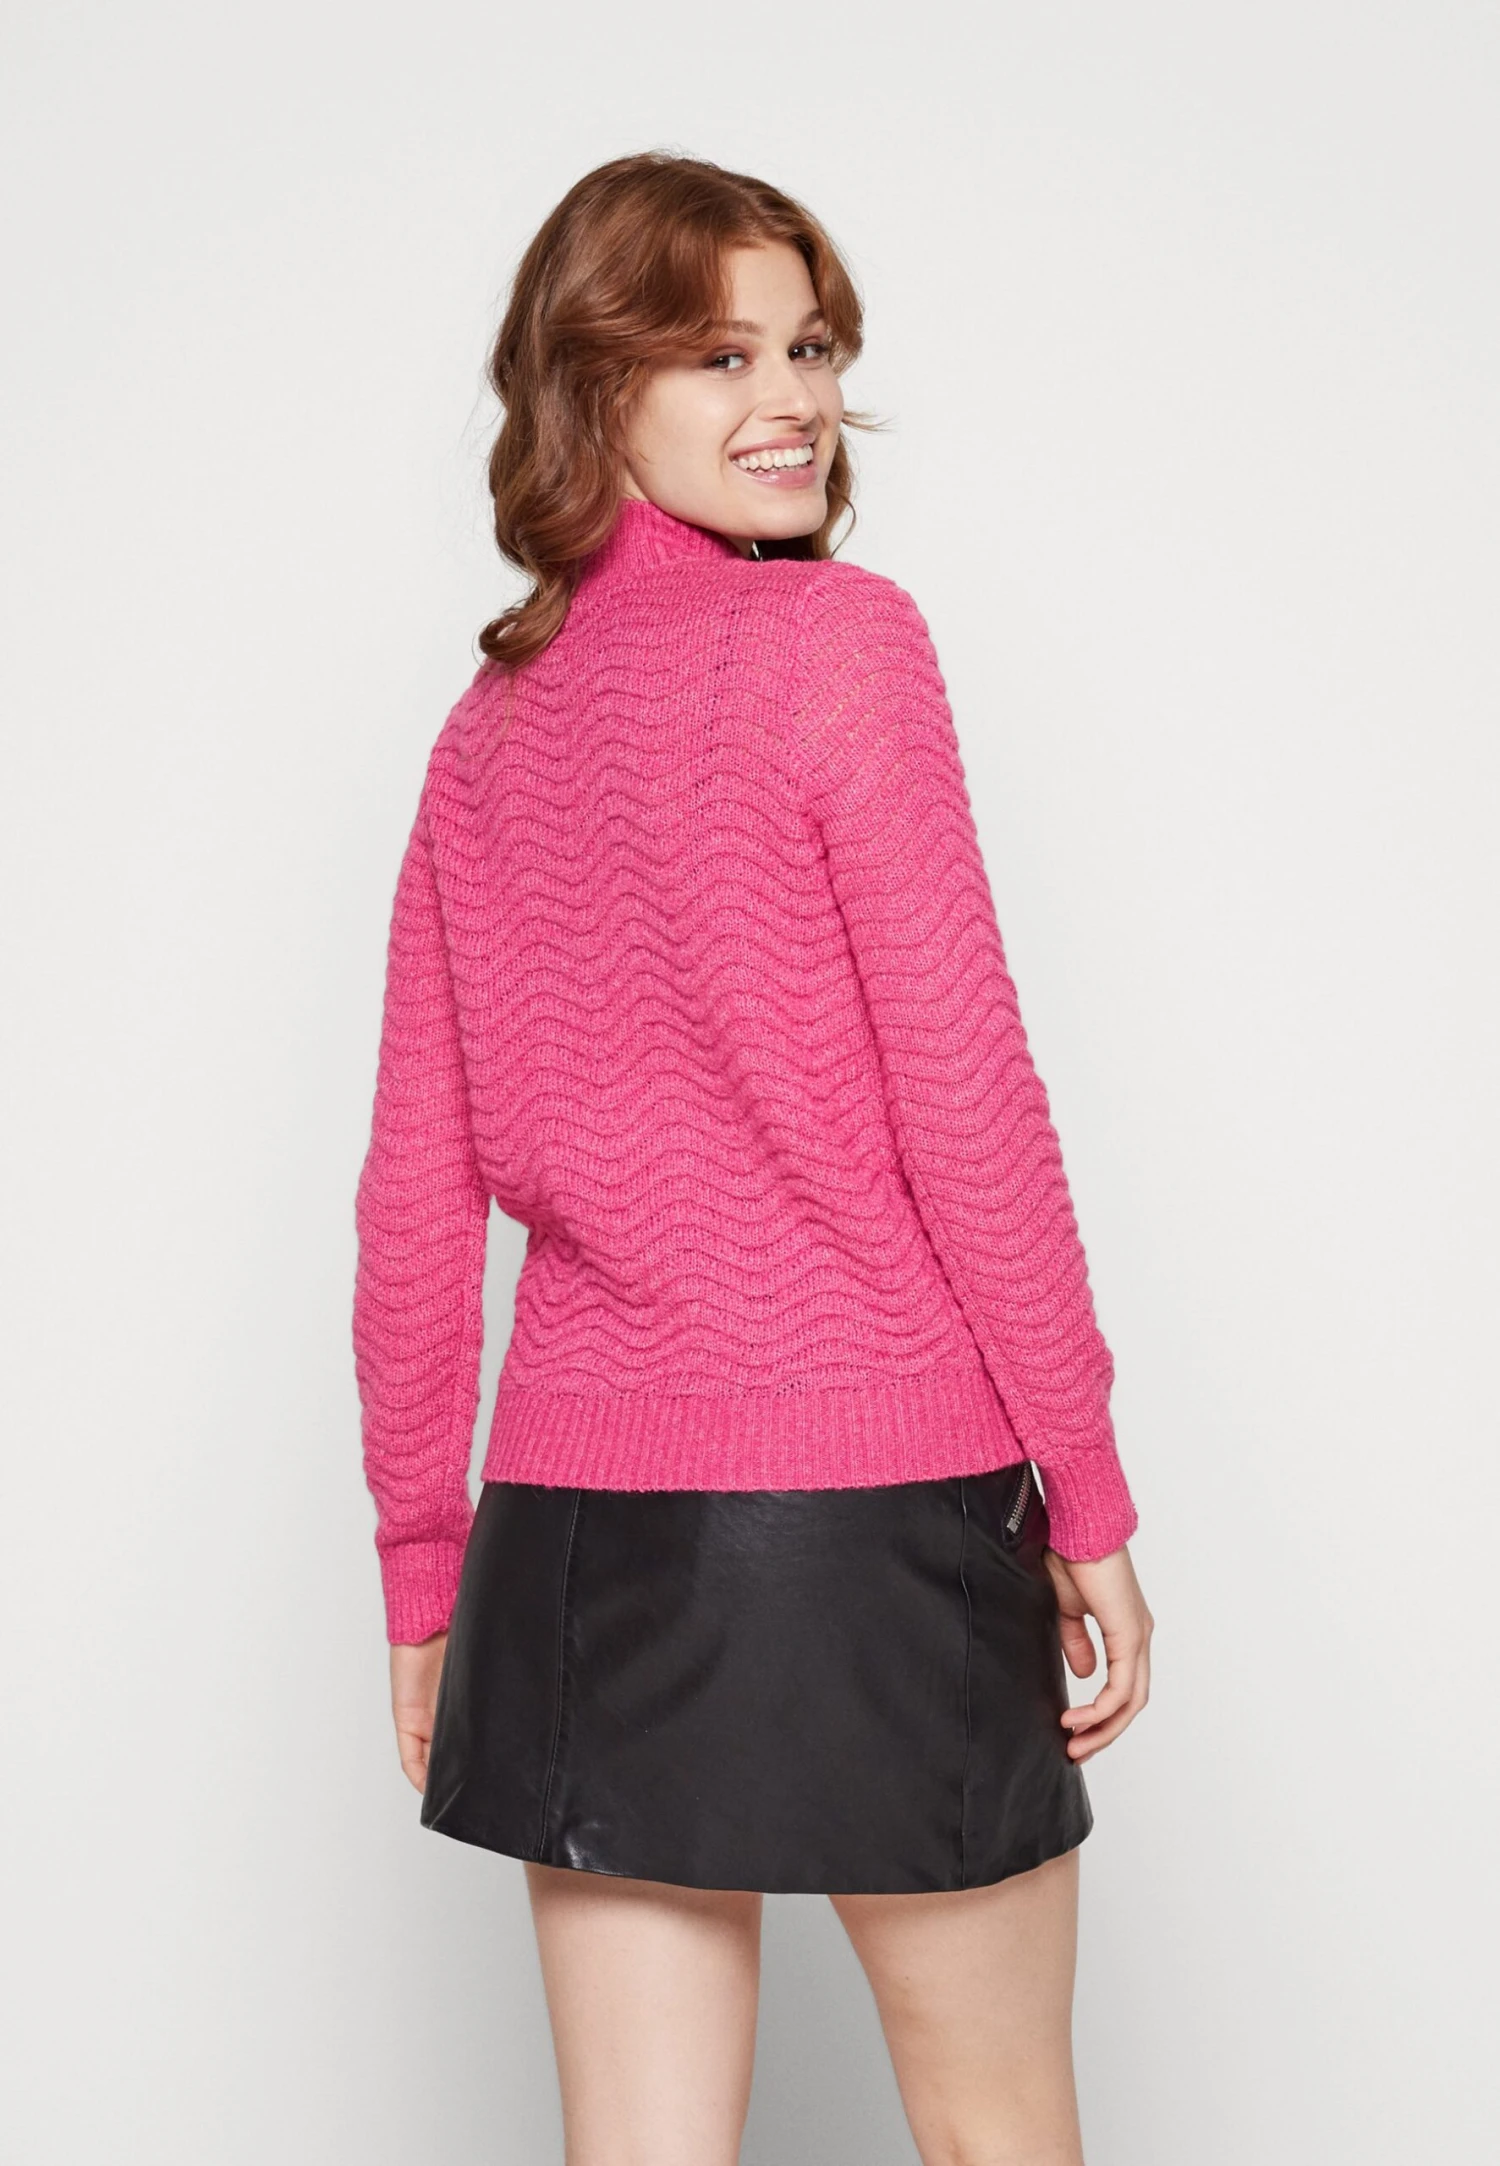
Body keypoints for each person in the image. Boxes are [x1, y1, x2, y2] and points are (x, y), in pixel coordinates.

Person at [353, 149, 1153, 2166]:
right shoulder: (839, 646)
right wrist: (1088, 1486)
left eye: (808, 346)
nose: (790, 396)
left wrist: (429, 1569)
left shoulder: (485, 733)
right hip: (871, 1506)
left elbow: (409, 1192)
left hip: (573, 1537)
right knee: (997, 2128)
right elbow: (971, 1100)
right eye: (719, 355)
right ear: (590, 387)